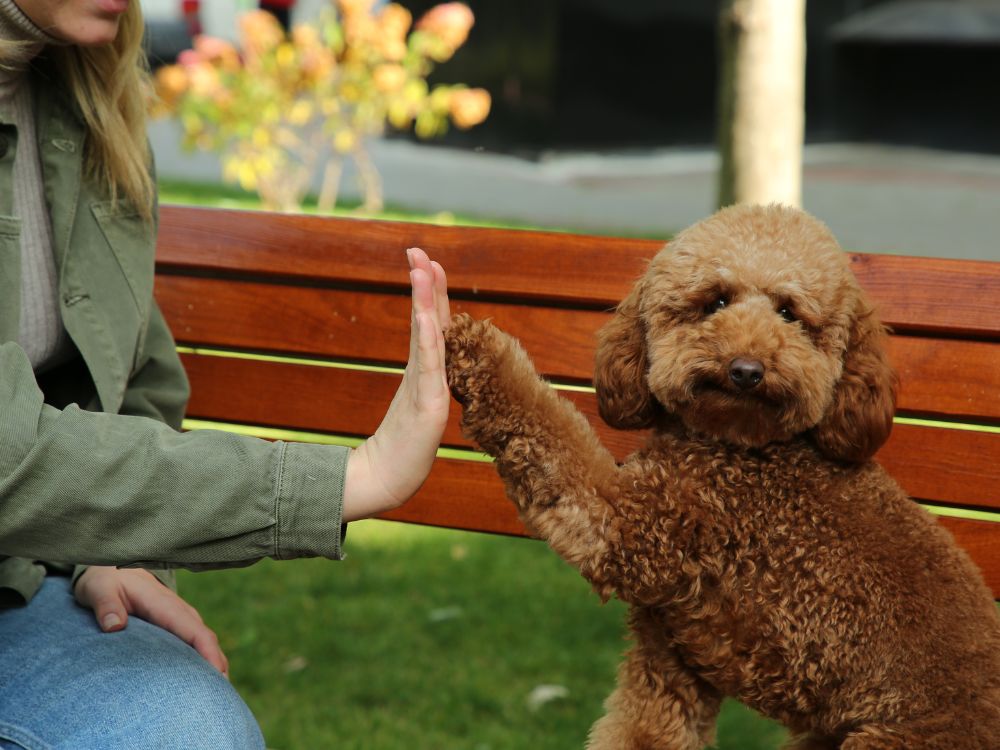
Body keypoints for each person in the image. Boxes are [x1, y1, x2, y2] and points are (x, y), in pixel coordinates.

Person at [0, 1, 451, 747]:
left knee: (190, 732)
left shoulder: (85, 99)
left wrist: (107, 550)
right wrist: (349, 479)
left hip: (20, 587)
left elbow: (134, 370)